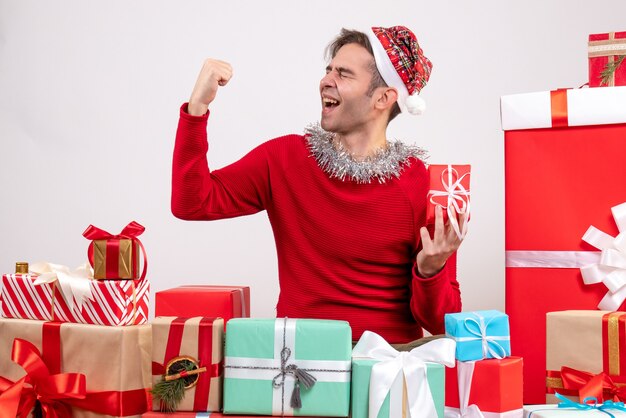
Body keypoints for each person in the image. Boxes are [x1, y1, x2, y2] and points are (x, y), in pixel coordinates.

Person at [171, 26, 466, 344]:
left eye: (344, 73)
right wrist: (197, 107)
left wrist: (430, 269)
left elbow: (442, 325)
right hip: (300, 363)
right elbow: (193, 202)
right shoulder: (284, 159)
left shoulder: (419, 184)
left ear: (383, 98)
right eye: (328, 70)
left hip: (388, 365)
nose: (326, 80)